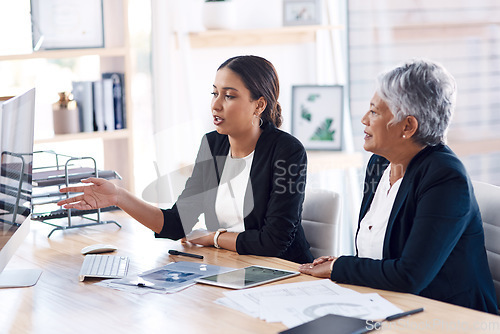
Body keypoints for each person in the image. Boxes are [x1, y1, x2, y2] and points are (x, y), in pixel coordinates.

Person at [58, 55, 314, 264]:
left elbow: (274, 242)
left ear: (259, 105)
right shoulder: (213, 145)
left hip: (284, 273)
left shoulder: (287, 151)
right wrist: (119, 197)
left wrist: (214, 238)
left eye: (229, 96)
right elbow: (176, 224)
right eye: (214, 93)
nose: (216, 105)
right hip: (234, 265)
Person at [299, 59, 498, 314]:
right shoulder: (379, 164)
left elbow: (410, 276)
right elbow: (378, 255)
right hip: (387, 305)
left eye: (374, 112)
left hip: (448, 318)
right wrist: (341, 266)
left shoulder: (446, 178)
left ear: (408, 126)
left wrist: (340, 267)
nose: (363, 119)